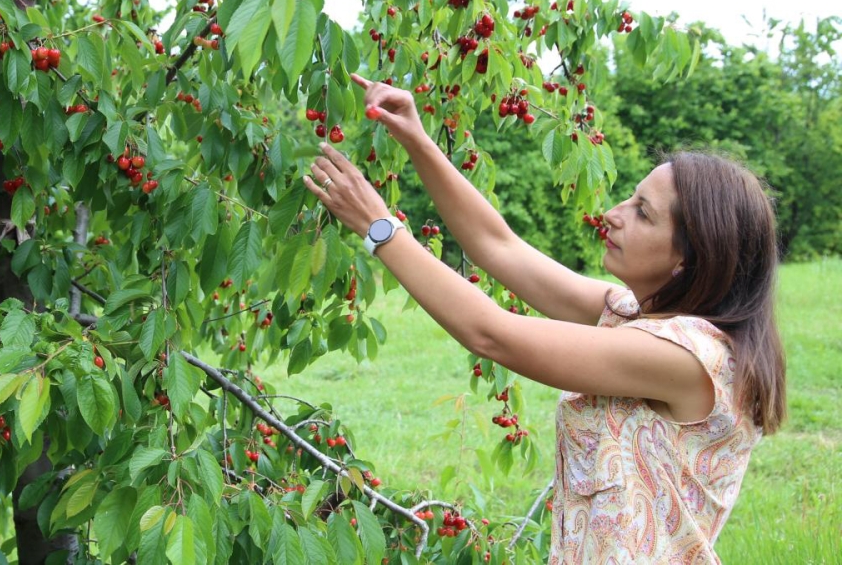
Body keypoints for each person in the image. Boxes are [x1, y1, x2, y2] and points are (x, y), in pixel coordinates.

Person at [303, 73, 786, 564]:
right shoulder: (634, 316)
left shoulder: (689, 357)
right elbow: (499, 247)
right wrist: (416, 137)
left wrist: (379, 229)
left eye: (643, 212)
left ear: (688, 257)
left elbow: (493, 335)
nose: (614, 213)